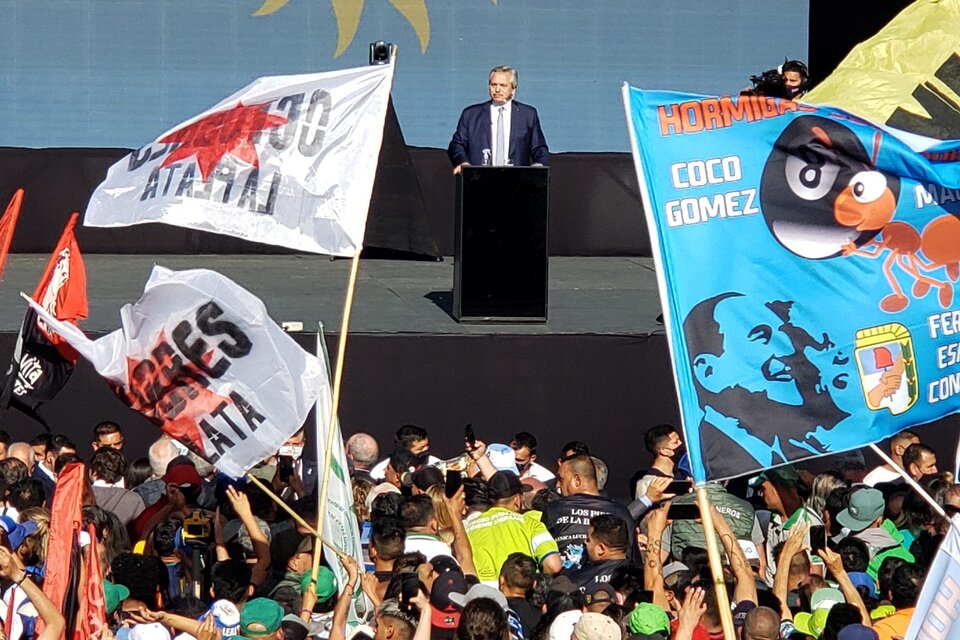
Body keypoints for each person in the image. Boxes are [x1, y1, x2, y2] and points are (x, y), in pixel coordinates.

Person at [683, 292, 852, 478]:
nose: (789, 348)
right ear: (709, 371)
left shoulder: (794, 443)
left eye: (782, 333)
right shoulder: (710, 461)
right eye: (762, 337)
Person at [447, 65, 549, 174]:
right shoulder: (471, 115)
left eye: (503, 85)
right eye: (493, 85)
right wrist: (463, 163)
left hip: (517, 181)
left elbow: (539, 148)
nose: (497, 89)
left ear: (513, 88)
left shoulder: (528, 115)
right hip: (479, 180)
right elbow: (456, 145)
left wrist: (539, 166)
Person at [541, 455, 634, 571]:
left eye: (561, 479)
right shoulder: (620, 512)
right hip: (609, 585)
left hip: (564, 586)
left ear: (577, 480)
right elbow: (632, 560)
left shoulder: (555, 509)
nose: (558, 485)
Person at [464, 471, 560, 583]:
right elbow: (553, 565)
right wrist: (535, 584)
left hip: (485, 596)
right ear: (517, 500)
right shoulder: (530, 522)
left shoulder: (468, 529)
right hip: (523, 593)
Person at [634, 424, 684, 499]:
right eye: (675, 442)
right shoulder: (647, 483)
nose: (681, 444)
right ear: (663, 451)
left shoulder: (684, 476)